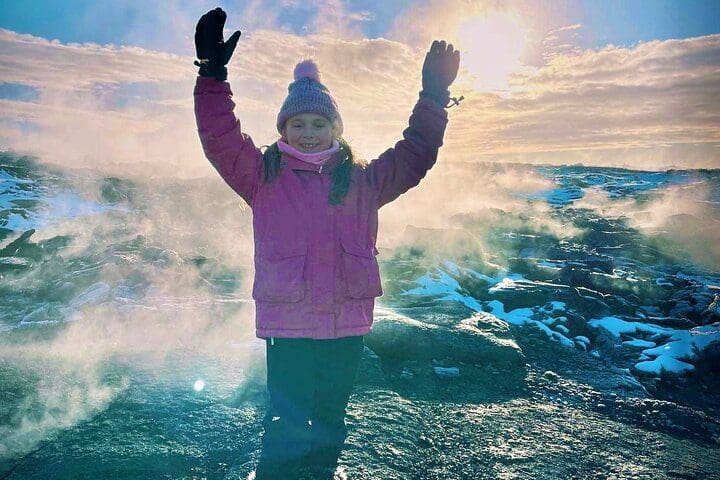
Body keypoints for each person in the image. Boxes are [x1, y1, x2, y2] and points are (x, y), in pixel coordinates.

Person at [193, 7, 460, 479]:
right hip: (289, 325)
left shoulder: (363, 180)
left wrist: (433, 98)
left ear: (335, 129)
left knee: (331, 419)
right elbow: (220, 137)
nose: (309, 133)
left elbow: (416, 153)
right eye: (298, 125)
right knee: (288, 419)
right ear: (283, 131)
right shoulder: (261, 175)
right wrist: (212, 77)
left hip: (346, 327)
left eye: (319, 124)